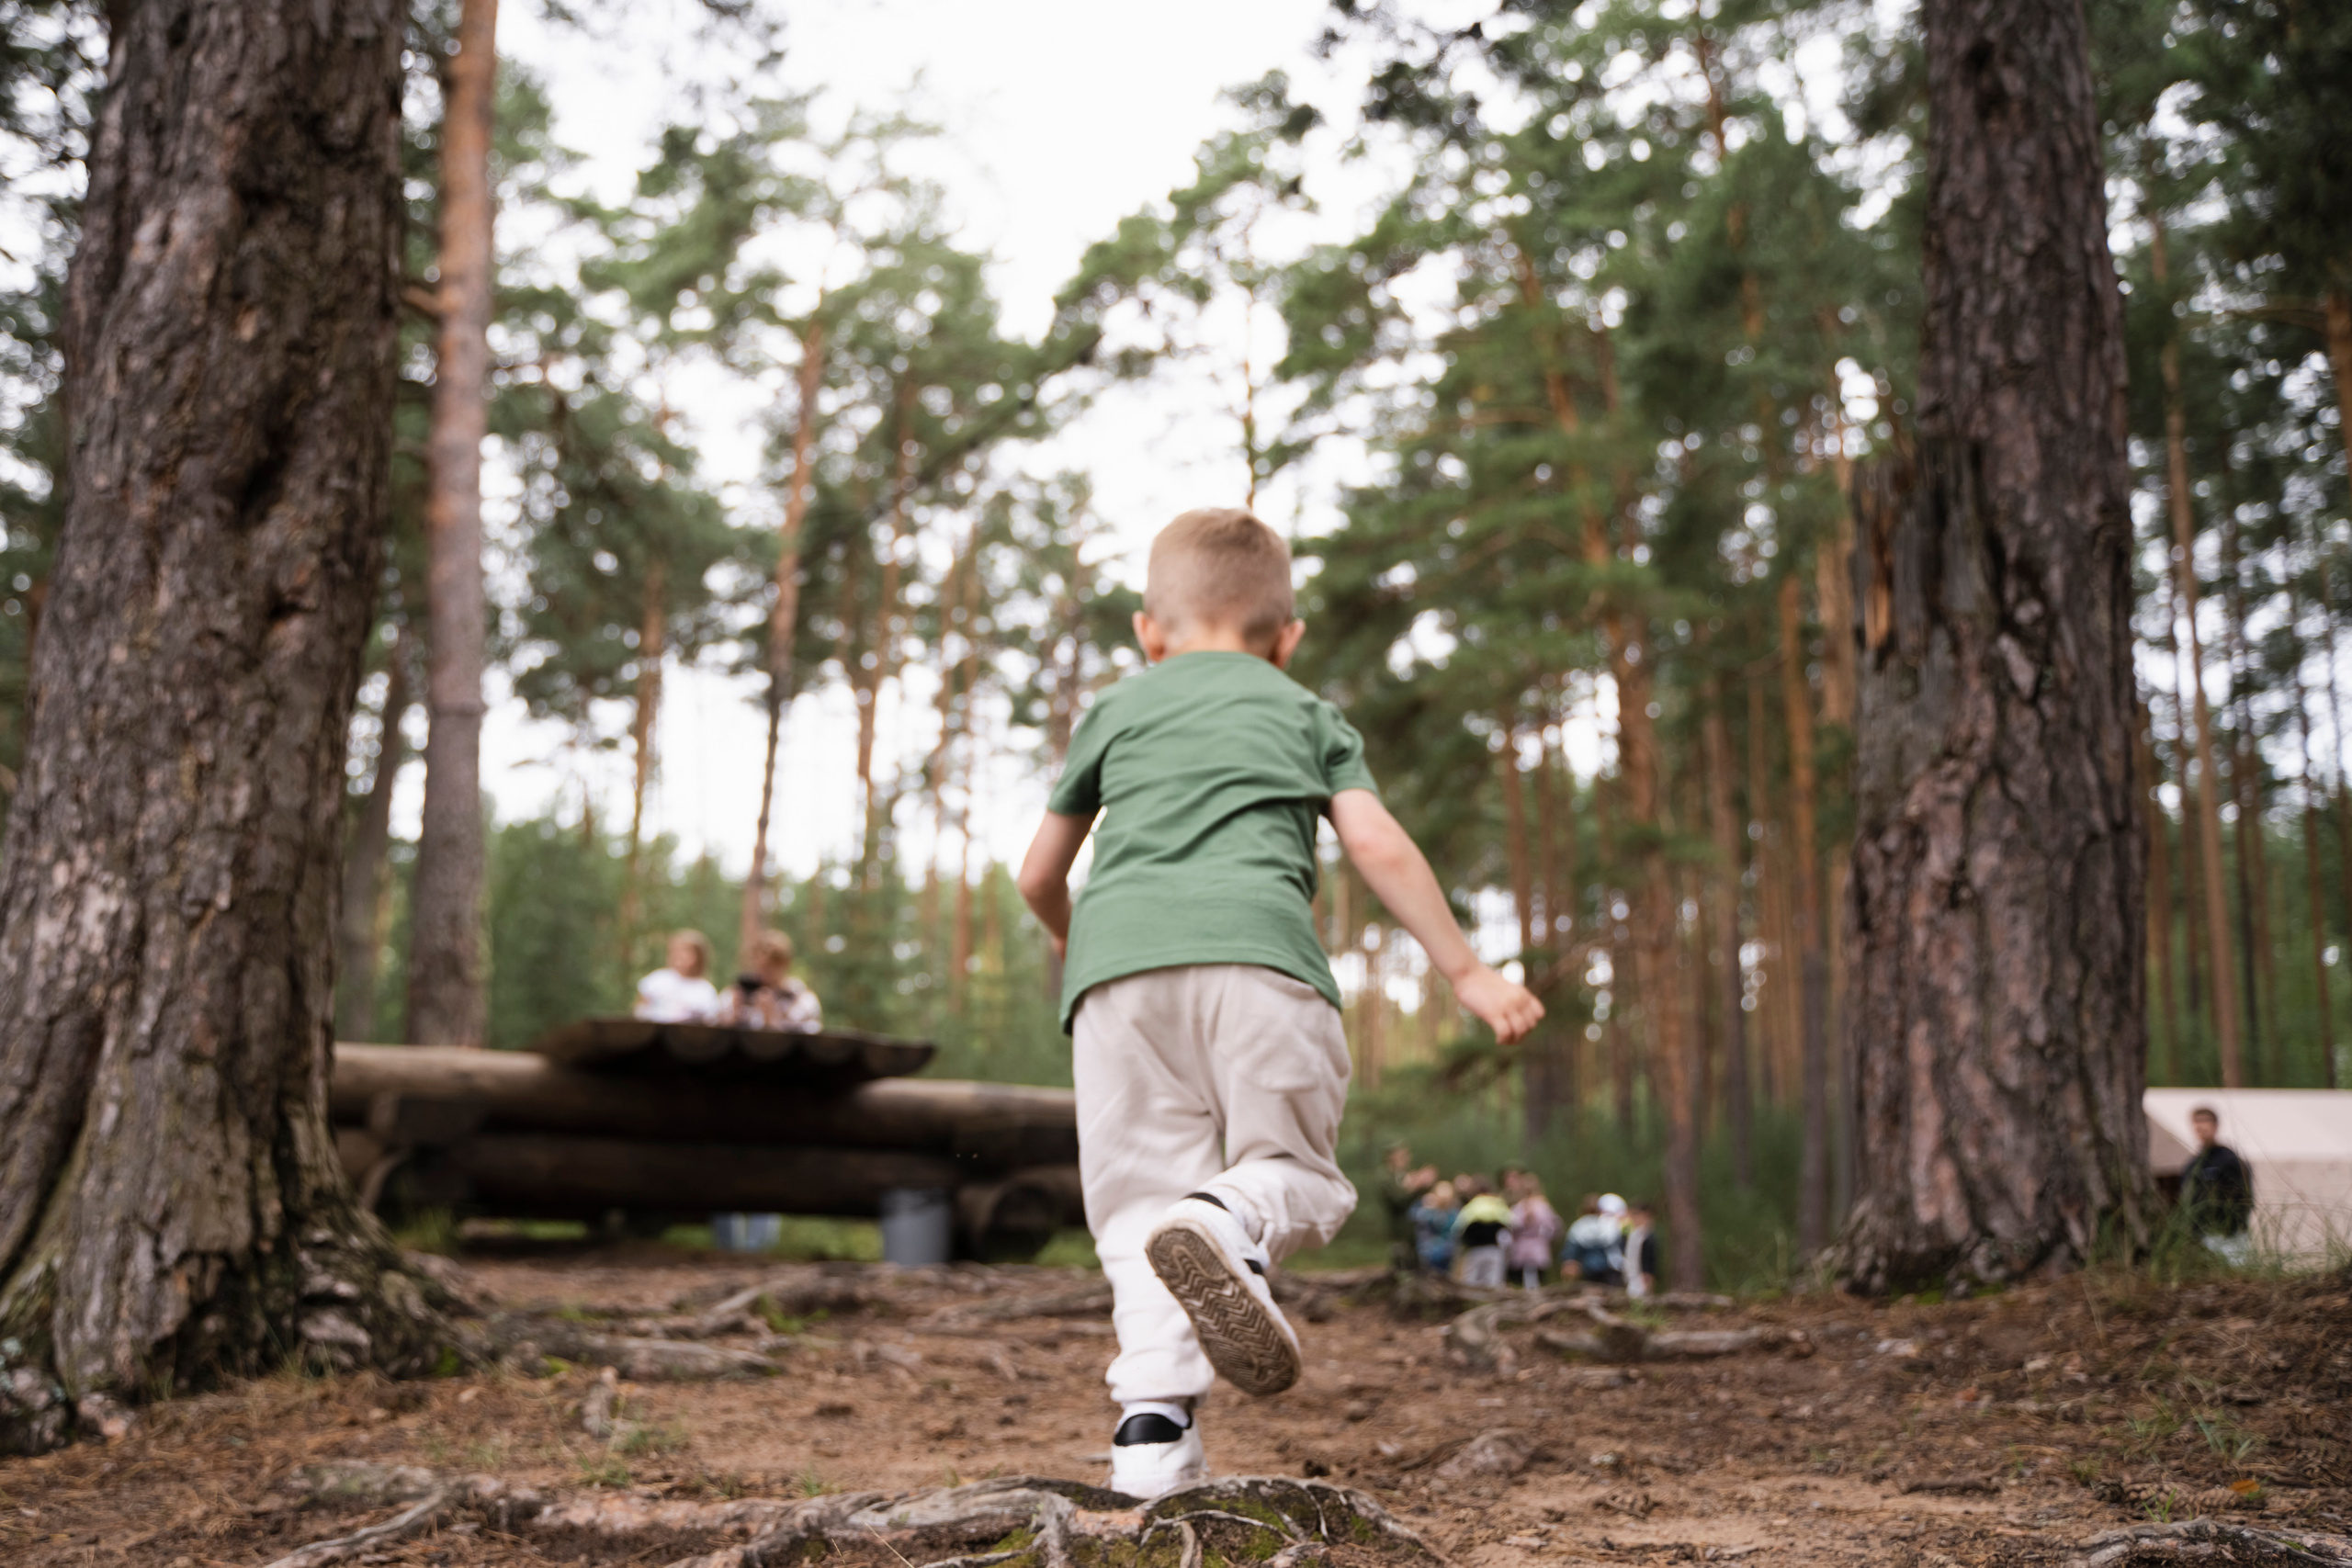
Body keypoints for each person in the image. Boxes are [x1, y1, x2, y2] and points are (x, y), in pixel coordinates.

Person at [1016, 507, 1544, 1500]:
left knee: (1136, 1214)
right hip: (1260, 964)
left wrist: (1069, 937)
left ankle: (1150, 1442)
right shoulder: (1305, 714)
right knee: (1295, 1173)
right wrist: (1467, 974)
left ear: (1149, 630)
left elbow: (1041, 869)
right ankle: (1230, 1218)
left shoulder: (1117, 711)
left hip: (1115, 983)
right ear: (1286, 636)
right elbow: (1378, 845)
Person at [2179, 1105, 2255, 1265]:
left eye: (2205, 1121)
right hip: (2201, 1234)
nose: (2201, 1126)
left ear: (2215, 1125)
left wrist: (2233, 1226)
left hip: (2228, 1234)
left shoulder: (2229, 1160)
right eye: (2197, 1122)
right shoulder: (2193, 1164)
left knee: (2234, 1274)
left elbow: (2244, 1197)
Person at [718, 929, 822, 1033]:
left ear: (786, 964)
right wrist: (732, 1017)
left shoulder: (802, 1000)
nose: (763, 972)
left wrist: (773, 1023)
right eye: (760, 966)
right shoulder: (736, 994)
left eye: (771, 966)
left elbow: (810, 1041)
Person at [635, 930, 719, 1022]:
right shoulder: (658, 979)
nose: (680, 956)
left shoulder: (705, 990)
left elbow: (710, 1020)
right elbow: (641, 1006)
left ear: (699, 957)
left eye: (686, 952)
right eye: (676, 951)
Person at [1379, 1145, 1438, 1272]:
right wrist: (1415, 1185)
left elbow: (1419, 1200)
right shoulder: (1387, 1179)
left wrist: (1426, 1187)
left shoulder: (1406, 1176)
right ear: (1391, 1157)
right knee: (1402, 1268)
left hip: (1417, 1232)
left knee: (1418, 1268)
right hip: (1400, 1233)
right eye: (1401, 1155)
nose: (1406, 1159)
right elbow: (1398, 1202)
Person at [1452, 1178, 1514, 1288]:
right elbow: (1512, 1222)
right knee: (1493, 1282)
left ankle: (1471, 1302)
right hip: (1494, 1249)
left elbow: (1458, 1227)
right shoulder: (1498, 1204)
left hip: (1475, 1249)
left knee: (1471, 1281)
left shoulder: (1472, 1205)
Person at [1505, 1174, 1564, 1291]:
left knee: (1525, 1285)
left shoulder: (1519, 1208)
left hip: (1524, 1252)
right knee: (1533, 1285)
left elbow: (1510, 1228)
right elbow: (1555, 1228)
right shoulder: (1542, 1207)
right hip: (1536, 1252)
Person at [1565, 1192, 1626, 1284]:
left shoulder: (1578, 1226)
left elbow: (1572, 1249)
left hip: (1588, 1268)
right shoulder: (1610, 1224)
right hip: (1610, 1268)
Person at [1411, 1180, 1461, 1276]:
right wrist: (1427, 1207)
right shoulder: (1426, 1210)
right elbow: (1413, 1216)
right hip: (1428, 1254)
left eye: (1447, 1198)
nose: (1444, 1201)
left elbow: (1455, 1231)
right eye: (1442, 1198)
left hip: (1447, 1254)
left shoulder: (1454, 1213)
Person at [1620, 1198, 1660, 1299]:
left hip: (1640, 1285)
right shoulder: (1634, 1235)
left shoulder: (1647, 1238)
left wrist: (1647, 1289)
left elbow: (1648, 1268)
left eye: (1635, 1214)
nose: (1632, 1217)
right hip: (1631, 1282)